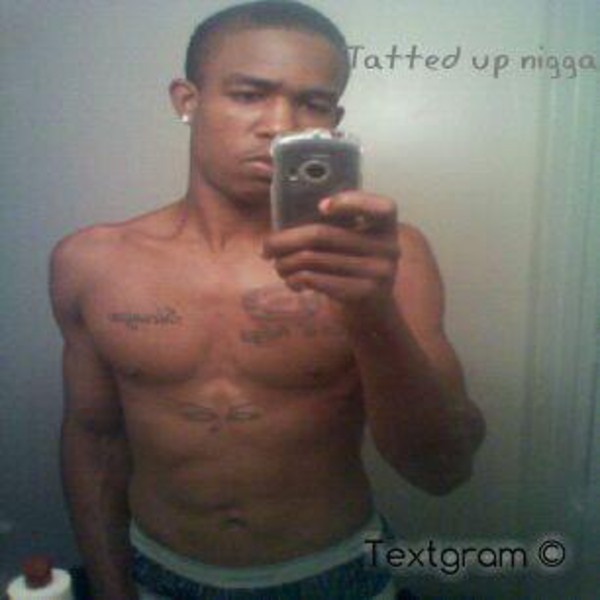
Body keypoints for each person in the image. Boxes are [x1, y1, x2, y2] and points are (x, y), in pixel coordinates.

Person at [49, 1, 485, 598]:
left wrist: (371, 312)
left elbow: (443, 470)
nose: (281, 125)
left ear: (334, 121)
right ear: (187, 100)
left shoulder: (387, 259)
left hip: (336, 576)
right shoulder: (93, 263)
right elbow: (93, 440)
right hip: (157, 575)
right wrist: (109, 588)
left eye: (314, 103)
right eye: (249, 94)